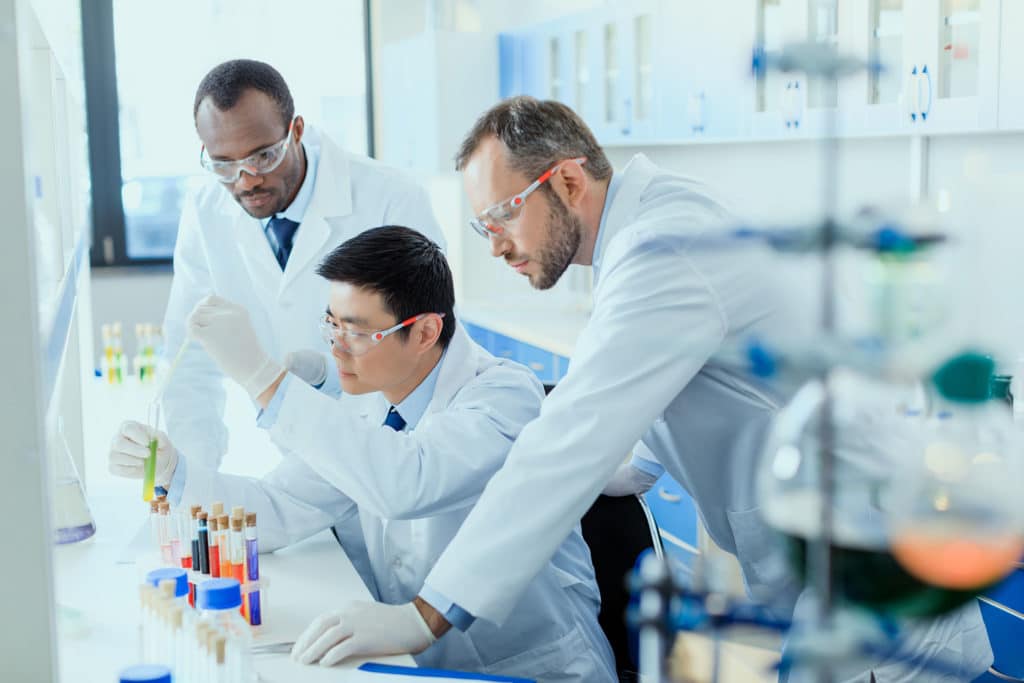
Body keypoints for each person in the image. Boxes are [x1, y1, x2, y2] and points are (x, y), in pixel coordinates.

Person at [294, 97, 993, 682]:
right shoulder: (647, 234)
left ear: (566, 182)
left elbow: (573, 438)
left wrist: (428, 612)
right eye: (482, 226)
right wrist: (624, 465)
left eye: (501, 215)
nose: (495, 244)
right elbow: (685, 388)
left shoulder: (664, 251)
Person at [109, 226, 617, 682]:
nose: (335, 347)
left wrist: (266, 381)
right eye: (331, 324)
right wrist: (175, 473)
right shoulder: (370, 403)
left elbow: (407, 482)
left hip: (532, 668)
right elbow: (279, 507)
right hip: (415, 665)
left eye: (355, 332)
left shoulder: (505, 397)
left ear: (424, 332)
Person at [157, 59, 445, 475]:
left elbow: (423, 355)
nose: (246, 180)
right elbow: (189, 359)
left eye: (263, 156)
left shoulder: (390, 199)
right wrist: (191, 478)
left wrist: (326, 392)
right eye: (224, 165)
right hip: (292, 461)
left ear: (296, 131)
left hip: (387, 455)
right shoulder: (206, 212)